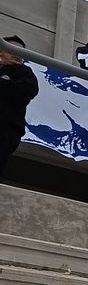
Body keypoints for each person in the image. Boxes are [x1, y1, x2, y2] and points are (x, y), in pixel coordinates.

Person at [0, 36, 38, 181]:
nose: (17, 54)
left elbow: (28, 90)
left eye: (21, 51)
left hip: (6, 130)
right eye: (12, 49)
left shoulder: (24, 72)